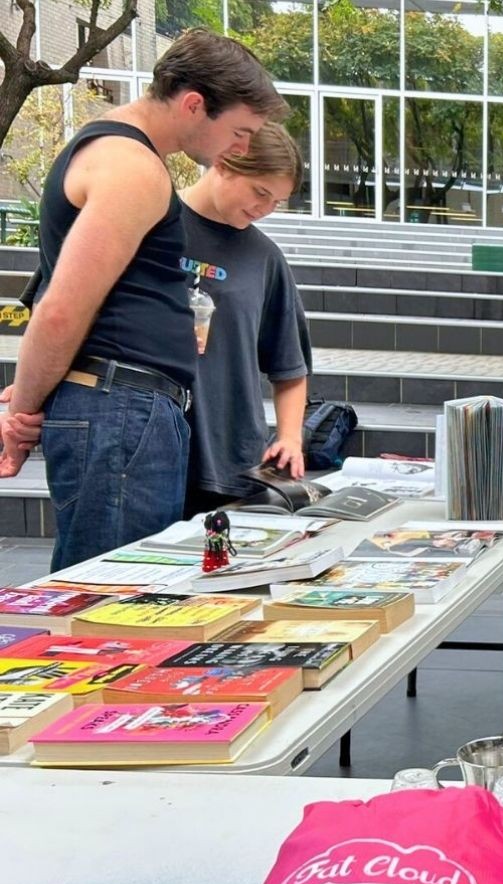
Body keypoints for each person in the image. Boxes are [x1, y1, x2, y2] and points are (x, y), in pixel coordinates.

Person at [0, 29, 286, 570]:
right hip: (122, 411)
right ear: (195, 104)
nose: (244, 148)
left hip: (119, 407)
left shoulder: (107, 149)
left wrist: (33, 398)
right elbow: (62, 308)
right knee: (113, 604)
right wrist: (22, 413)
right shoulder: (133, 168)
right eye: (241, 130)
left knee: (117, 599)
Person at [179, 122, 312, 518]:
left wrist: (289, 437)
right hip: (150, 448)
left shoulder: (265, 258)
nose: (265, 209)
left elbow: (289, 365)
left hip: (229, 455)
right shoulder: (152, 221)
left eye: (277, 201)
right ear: (223, 163)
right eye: (260, 192)